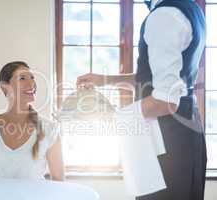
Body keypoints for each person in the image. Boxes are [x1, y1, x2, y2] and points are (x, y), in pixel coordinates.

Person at [77, 0, 207, 199]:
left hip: (166, 141)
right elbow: (161, 78)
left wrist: (113, 117)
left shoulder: (164, 15)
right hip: (187, 131)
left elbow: (165, 102)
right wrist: (106, 80)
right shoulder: (190, 9)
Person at [0, 61, 65, 181]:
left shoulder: (50, 130)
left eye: (32, 77)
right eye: (22, 78)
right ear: (5, 87)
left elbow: (58, 181)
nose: (31, 83)